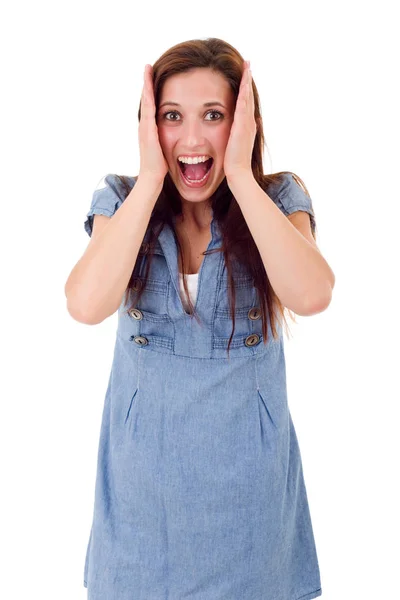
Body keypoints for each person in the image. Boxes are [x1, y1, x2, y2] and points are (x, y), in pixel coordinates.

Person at [65, 37, 335, 600]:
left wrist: (239, 173)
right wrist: (148, 179)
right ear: (148, 126)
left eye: (213, 116)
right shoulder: (121, 199)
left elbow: (312, 294)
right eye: (171, 117)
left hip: (251, 526)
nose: (191, 139)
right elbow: (85, 304)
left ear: (243, 123)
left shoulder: (277, 198)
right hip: (139, 527)